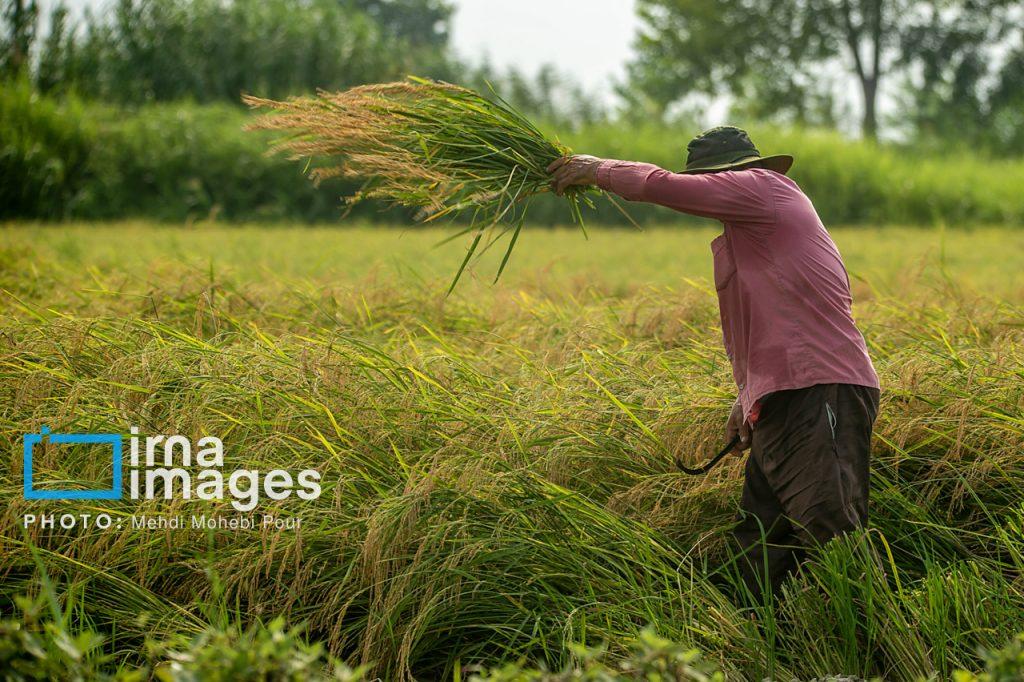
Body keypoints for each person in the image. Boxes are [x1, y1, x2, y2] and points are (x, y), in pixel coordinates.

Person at [547, 126, 880, 601]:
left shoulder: (763, 189)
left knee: (832, 531)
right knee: (763, 543)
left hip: (817, 388)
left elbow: (660, 185)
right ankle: (757, 647)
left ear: (726, 174)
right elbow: (766, 323)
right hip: (787, 394)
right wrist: (748, 401)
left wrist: (595, 170)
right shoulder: (752, 229)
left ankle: (886, 650)